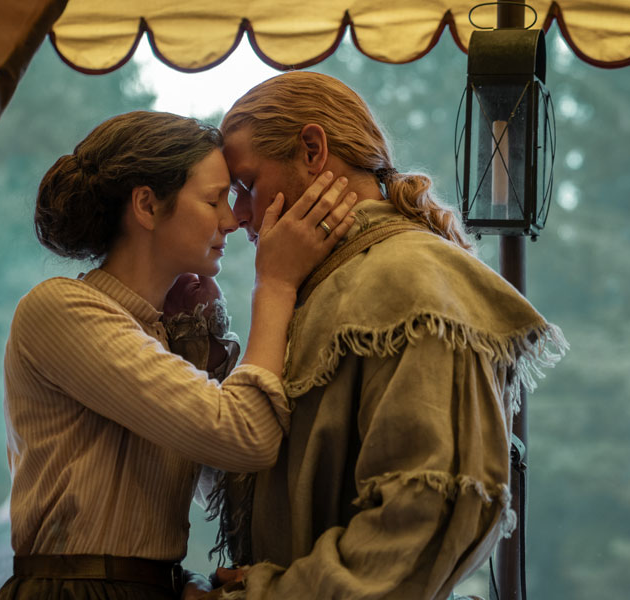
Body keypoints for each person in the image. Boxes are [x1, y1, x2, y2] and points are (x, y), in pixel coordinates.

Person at [199, 71, 568, 599]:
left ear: (311, 149)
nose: (237, 217)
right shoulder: (322, 287)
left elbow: (423, 515)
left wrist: (268, 594)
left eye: (248, 186)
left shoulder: (412, 279)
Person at [0, 111, 357, 600]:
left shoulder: (165, 334)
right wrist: (274, 285)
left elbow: (223, 482)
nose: (231, 219)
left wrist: (182, 584)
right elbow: (243, 435)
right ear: (146, 205)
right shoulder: (60, 309)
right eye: (213, 200)